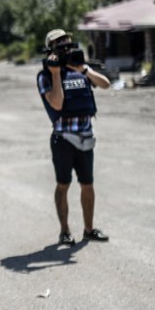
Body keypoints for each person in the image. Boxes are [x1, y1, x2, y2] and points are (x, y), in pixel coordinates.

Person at [36, 29, 112, 245]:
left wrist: (84, 69)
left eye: (68, 44)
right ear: (51, 50)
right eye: (60, 45)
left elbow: (105, 84)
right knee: (63, 185)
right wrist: (57, 73)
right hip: (63, 139)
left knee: (88, 184)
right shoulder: (45, 76)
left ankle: (89, 229)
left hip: (86, 136)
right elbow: (57, 104)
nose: (66, 48)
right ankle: (65, 231)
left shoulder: (81, 70)